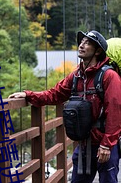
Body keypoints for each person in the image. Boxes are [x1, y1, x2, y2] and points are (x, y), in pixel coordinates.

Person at [8, 30, 121, 183]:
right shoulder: (76, 76)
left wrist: (107, 145)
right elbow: (55, 94)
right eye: (81, 42)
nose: (81, 45)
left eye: (87, 43)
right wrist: (28, 95)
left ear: (98, 51)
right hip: (83, 144)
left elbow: (115, 111)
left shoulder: (109, 76)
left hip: (104, 144)